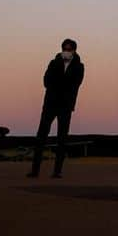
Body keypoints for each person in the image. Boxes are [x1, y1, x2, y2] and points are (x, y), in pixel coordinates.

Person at [27, 38, 85, 178]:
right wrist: (60, 84)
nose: (66, 52)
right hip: (50, 104)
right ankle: (35, 170)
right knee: (41, 136)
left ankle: (57, 171)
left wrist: (58, 84)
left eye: (69, 49)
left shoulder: (79, 66)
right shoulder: (54, 63)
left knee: (61, 139)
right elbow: (46, 81)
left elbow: (75, 84)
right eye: (65, 49)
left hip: (65, 106)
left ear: (74, 51)